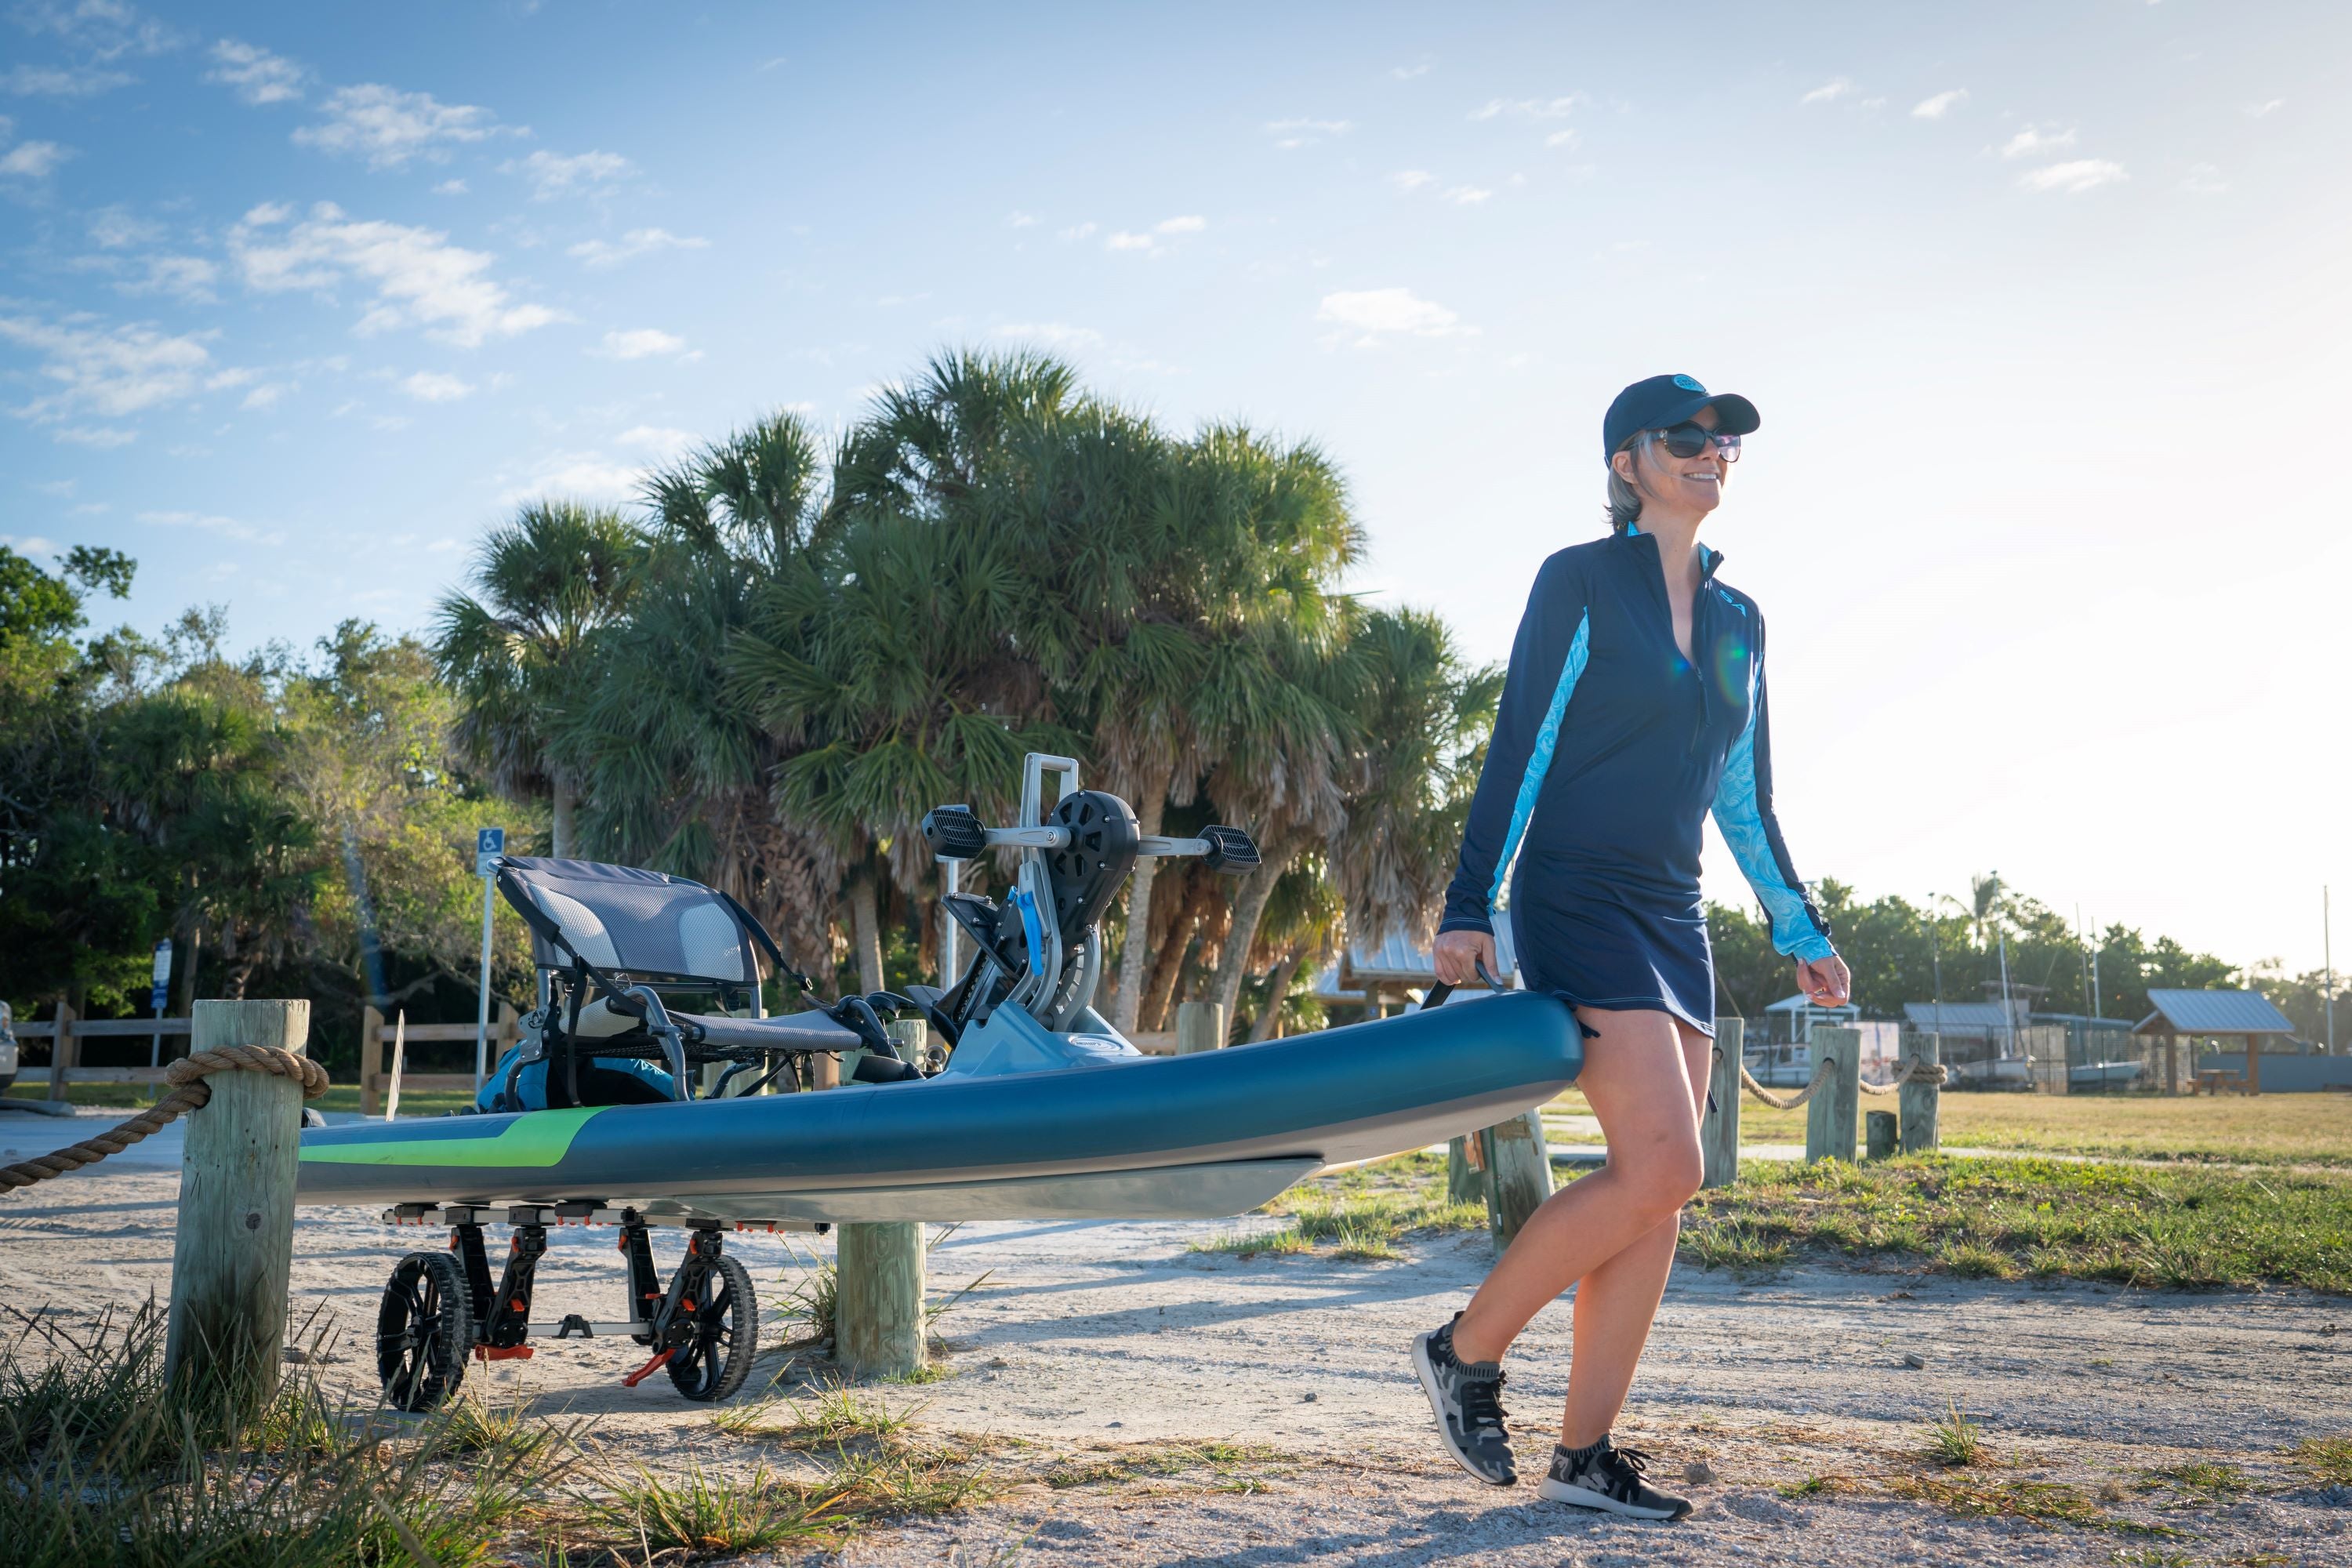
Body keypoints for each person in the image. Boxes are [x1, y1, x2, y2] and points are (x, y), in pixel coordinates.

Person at [1410, 373, 1851, 1521]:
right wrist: (1470, 905)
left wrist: (1797, 927)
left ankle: (1583, 1457)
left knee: (1654, 1195)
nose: (1713, 455)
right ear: (1626, 464)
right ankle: (1466, 1348)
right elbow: (1523, 745)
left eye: (1725, 444)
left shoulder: (1742, 619)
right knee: (1666, 1165)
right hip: (1580, 894)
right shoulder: (1580, 581)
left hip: (1676, 911)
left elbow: (1744, 793)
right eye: (1686, 439)